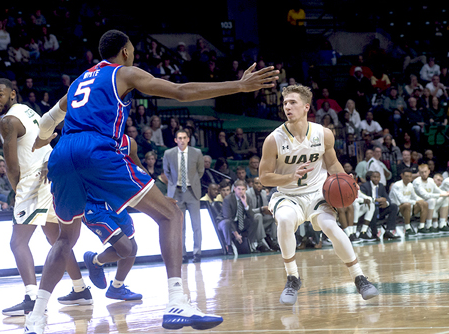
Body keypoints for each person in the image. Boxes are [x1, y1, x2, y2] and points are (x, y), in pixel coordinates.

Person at [27, 29, 278, 332]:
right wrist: (238, 86)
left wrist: (41, 141)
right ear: (124, 52)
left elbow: (46, 122)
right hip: (95, 150)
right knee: (171, 213)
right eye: (131, 49)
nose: (132, 54)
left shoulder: (80, 80)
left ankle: (37, 317)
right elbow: (181, 92)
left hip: (62, 153)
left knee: (66, 239)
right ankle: (176, 301)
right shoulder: (124, 73)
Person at [259, 84, 378, 306]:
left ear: (306, 106)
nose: (287, 107)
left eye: (292, 102)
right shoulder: (273, 139)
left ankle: (359, 277)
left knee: (332, 227)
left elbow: (332, 163)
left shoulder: (323, 134)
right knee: (284, 221)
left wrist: (348, 182)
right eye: (285, 103)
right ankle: (293, 277)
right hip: (288, 195)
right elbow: (264, 177)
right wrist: (289, 177)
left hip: (316, 194)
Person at [0, 78, 92, 317]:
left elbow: (11, 166)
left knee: (17, 242)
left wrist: (17, 191)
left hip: (35, 179)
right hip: (53, 173)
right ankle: (81, 289)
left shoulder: (7, 121)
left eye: (0, 95)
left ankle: (32, 298)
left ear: (12, 94)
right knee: (56, 238)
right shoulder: (26, 110)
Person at [82, 134, 143, 301]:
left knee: (133, 247)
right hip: (93, 206)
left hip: (117, 203)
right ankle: (95, 260)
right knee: (125, 248)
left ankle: (116, 287)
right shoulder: (85, 142)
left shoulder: (129, 143)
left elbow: (138, 170)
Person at [163, 129, 204, 263]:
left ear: (188, 139)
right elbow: (167, 172)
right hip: (176, 192)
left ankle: (197, 253)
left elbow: (200, 171)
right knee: (180, 226)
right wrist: (175, 184)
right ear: (175, 140)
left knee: (196, 224)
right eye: (179, 138)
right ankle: (182, 254)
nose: (181, 140)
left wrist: (192, 183)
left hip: (192, 192)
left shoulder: (196, 153)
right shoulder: (169, 153)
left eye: (184, 138)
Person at [217, 179, 259, 255]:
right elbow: (227, 217)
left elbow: (252, 216)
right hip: (224, 222)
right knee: (227, 222)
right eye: (239, 189)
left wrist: (245, 204)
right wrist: (236, 234)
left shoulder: (247, 198)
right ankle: (229, 246)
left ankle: (250, 244)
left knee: (255, 220)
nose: (241, 191)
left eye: (243, 189)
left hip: (238, 222)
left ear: (246, 189)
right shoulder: (228, 199)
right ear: (234, 189)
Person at [412, 164, 449, 234]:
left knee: (445, 198)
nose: (424, 174)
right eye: (422, 172)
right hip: (420, 205)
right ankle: (428, 225)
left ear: (429, 171)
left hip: (431, 204)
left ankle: (442, 224)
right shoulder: (417, 182)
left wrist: (447, 193)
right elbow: (425, 195)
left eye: (425, 172)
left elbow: (438, 190)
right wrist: (442, 194)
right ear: (419, 173)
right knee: (432, 200)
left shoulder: (431, 180)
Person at [360, 171, 400, 240]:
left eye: (378, 177)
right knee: (373, 208)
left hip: (380, 209)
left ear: (380, 178)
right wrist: (375, 200)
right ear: (371, 177)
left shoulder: (381, 186)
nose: (376, 179)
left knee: (394, 206)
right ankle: (374, 234)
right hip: (368, 210)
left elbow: (387, 198)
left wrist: (386, 203)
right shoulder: (364, 186)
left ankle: (388, 231)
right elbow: (363, 199)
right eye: (374, 177)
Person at [389, 169, 429, 236]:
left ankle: (421, 227)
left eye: (410, 176)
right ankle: (407, 228)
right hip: (397, 209)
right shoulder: (397, 185)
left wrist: (421, 200)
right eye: (406, 176)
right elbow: (402, 200)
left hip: (409, 206)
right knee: (407, 204)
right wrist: (416, 202)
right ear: (402, 176)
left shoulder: (410, 185)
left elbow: (415, 196)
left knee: (424, 203)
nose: (408, 178)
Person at [246, 176, 279, 251]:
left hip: (262, 219)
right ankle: (260, 243)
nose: (258, 185)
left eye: (260, 184)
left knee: (275, 216)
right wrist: (260, 209)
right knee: (258, 216)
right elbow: (248, 211)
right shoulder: (248, 194)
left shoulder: (264, 193)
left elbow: (265, 208)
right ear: (252, 184)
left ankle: (274, 241)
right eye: (256, 183)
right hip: (252, 221)